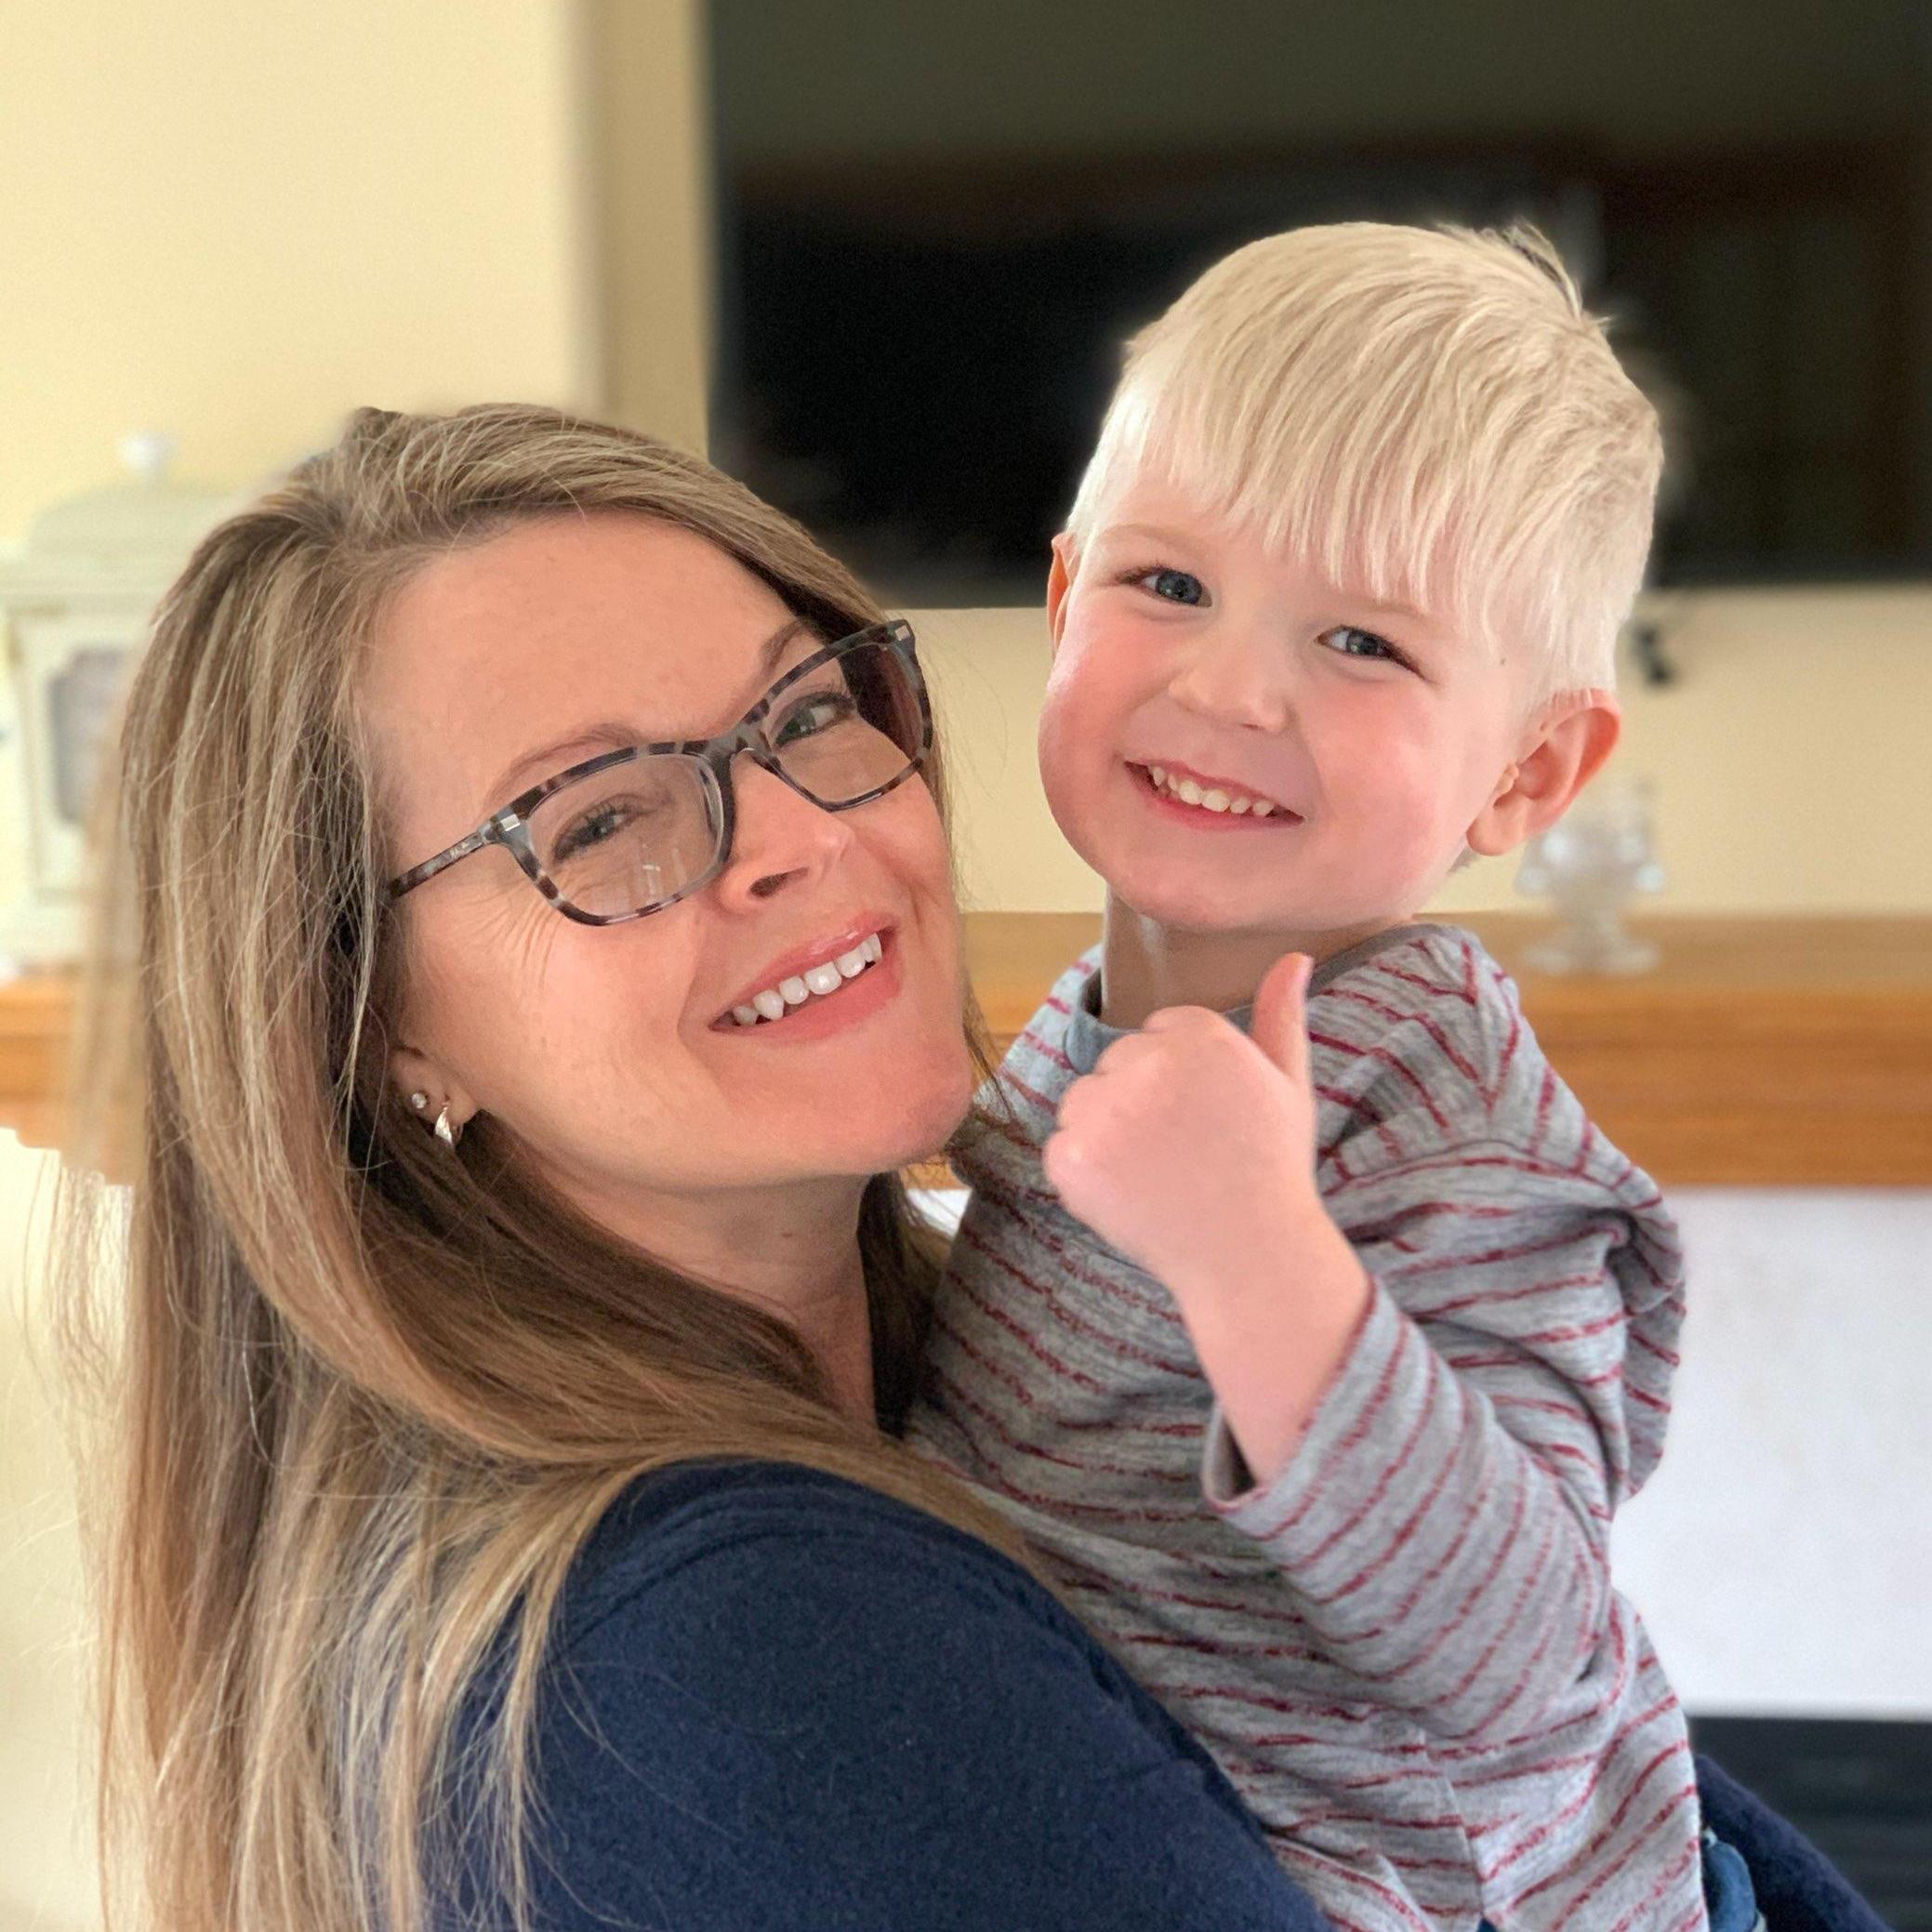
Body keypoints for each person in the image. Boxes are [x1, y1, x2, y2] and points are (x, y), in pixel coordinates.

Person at [53, 402, 1876, 1932]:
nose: (796, 833)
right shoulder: (726, 1638)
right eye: (597, 817)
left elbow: (1588, 1758)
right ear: (371, 1021)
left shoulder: (1017, 1367)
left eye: (804, 713)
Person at [907, 223, 1884, 1932]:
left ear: (1526, 770)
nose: (1228, 686)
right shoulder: (1082, 1030)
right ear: (1061, 604)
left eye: (1360, 641)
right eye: (1168, 585)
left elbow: (1526, 1660)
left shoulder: (1459, 1139)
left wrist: (1256, 1257)